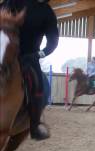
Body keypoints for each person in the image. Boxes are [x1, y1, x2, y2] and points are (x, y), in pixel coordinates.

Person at [0, 0, 59, 140]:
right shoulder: (6, 5)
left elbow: (52, 43)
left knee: (38, 84)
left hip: (28, 58)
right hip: (2, 55)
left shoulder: (45, 10)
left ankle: (35, 125)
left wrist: (37, 55)